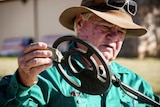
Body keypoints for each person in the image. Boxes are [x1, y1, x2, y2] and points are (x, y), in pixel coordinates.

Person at [0, 0, 159, 106]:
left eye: (121, 31)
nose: (114, 37)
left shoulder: (135, 84)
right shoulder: (45, 76)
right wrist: (23, 82)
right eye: (106, 26)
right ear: (80, 23)